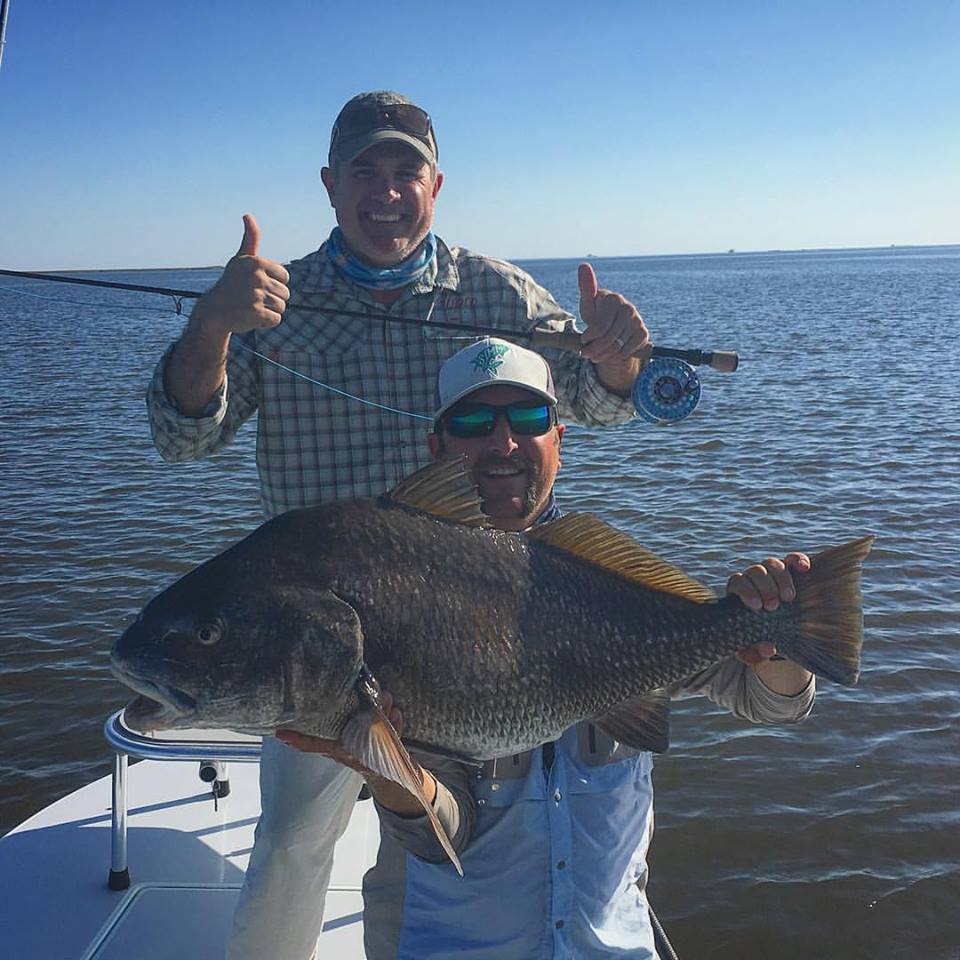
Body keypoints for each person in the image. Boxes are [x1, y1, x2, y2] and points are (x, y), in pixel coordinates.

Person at [146, 91, 653, 960]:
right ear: (330, 184)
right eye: (365, 173)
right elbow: (183, 435)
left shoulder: (498, 291)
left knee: (462, 841)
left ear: (436, 184)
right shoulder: (276, 300)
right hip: (314, 637)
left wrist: (618, 364)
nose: (386, 193)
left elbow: (590, 410)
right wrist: (213, 324)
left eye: (404, 173)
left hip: (472, 628)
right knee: (293, 844)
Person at [280, 337, 816, 960]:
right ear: (437, 448)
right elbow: (439, 835)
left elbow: (774, 705)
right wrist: (391, 774)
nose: (502, 443)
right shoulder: (398, 593)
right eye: (473, 424)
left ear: (559, 438)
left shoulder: (612, 579)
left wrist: (779, 641)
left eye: (528, 420)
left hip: (612, 947)